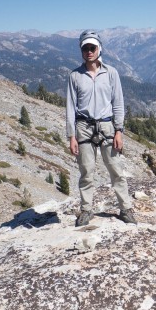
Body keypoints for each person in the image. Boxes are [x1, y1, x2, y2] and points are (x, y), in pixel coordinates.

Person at [66, 30, 137, 226]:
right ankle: (86, 210)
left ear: (99, 49)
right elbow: (70, 107)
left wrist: (119, 131)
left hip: (107, 126)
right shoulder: (75, 76)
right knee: (87, 171)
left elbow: (118, 104)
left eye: (92, 47)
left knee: (116, 170)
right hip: (83, 126)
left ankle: (125, 208)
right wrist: (71, 136)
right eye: (85, 48)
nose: (89, 51)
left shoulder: (111, 73)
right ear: (81, 50)